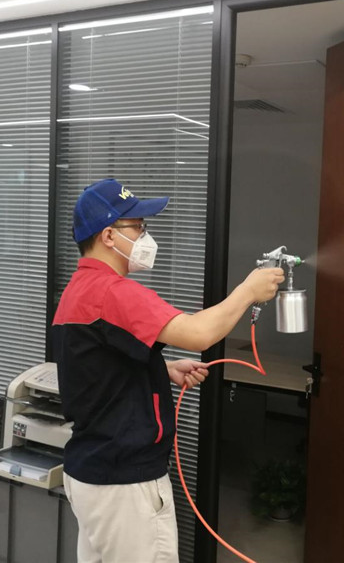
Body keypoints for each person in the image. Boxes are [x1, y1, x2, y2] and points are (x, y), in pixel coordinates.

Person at [52, 178, 284, 563]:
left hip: (91, 474)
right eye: (137, 226)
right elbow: (199, 333)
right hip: (125, 483)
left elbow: (97, 366)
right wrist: (248, 291)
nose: (145, 236)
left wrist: (163, 367)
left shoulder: (80, 288)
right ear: (108, 236)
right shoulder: (113, 292)